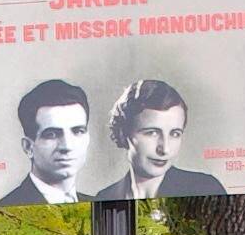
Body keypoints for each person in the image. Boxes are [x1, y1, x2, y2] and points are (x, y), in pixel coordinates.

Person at [95, 76, 226, 198]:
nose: (165, 149)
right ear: (124, 133)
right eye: (152, 133)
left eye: (175, 134)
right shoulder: (105, 197)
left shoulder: (206, 189)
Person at [0, 78, 91, 205]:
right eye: (51, 134)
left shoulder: (98, 204)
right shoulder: (3, 212)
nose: (67, 146)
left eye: (78, 131)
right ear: (28, 147)